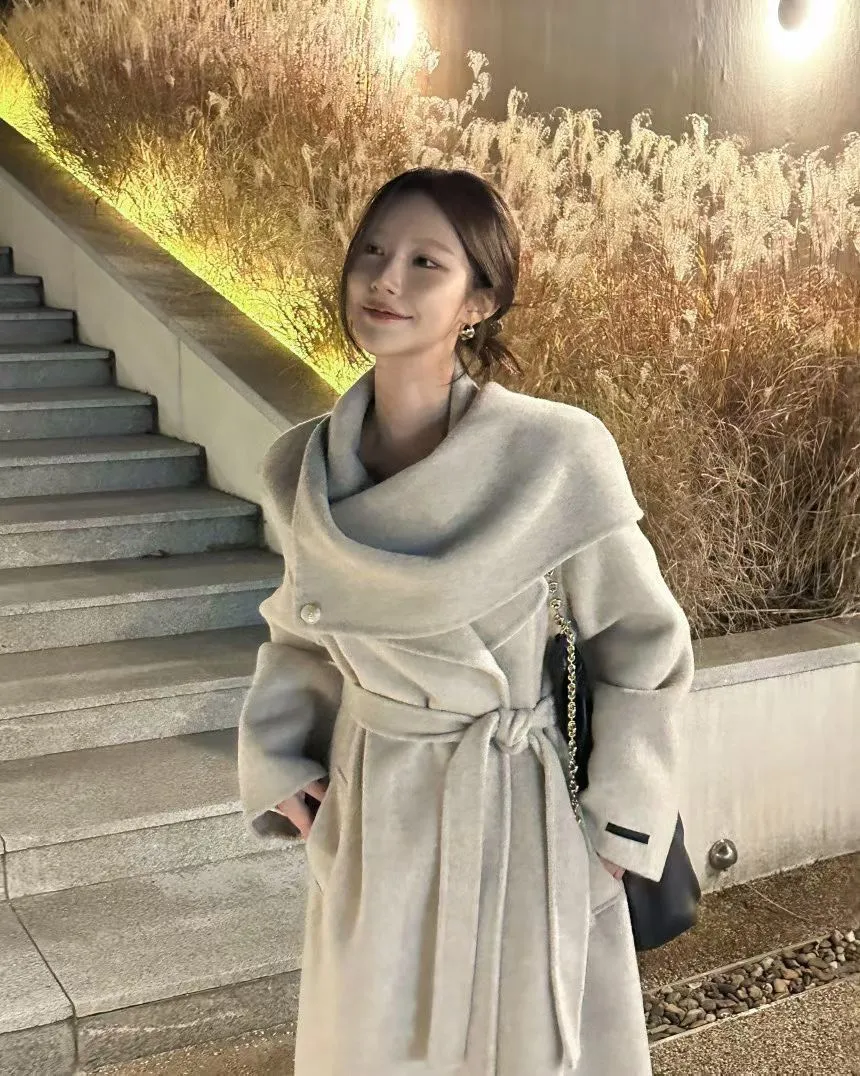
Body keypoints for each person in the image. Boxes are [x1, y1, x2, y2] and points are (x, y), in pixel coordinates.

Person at [237, 168, 696, 1075]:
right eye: (372, 251)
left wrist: (617, 829)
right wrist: (282, 766)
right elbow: (299, 635)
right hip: (375, 819)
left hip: (517, 813)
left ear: (478, 301)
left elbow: (643, 641)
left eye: (425, 263)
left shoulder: (555, 453)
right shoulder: (303, 468)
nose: (384, 279)